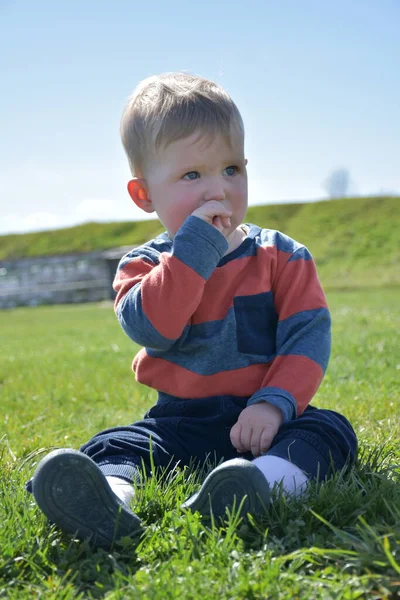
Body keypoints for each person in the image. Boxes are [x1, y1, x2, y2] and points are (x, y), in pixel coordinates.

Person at [29, 72, 357, 549]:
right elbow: (154, 328)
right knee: (117, 444)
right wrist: (193, 255)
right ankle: (109, 498)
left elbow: (306, 337)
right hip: (178, 424)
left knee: (329, 432)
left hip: (268, 418)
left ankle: (259, 485)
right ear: (145, 195)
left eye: (230, 170)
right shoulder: (143, 265)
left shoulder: (283, 256)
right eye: (191, 175)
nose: (217, 190)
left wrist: (273, 402)